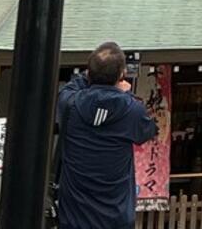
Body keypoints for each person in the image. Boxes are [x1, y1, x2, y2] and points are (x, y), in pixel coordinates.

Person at [55, 40, 162, 229]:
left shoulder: (70, 105)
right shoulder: (131, 110)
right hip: (115, 216)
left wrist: (94, 75)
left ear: (90, 72)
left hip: (73, 215)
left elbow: (70, 87)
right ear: (122, 74)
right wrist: (124, 94)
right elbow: (149, 131)